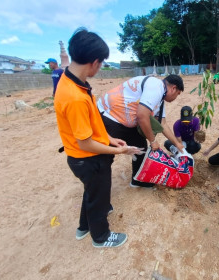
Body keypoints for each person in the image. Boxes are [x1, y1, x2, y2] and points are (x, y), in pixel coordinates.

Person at [54, 28, 143, 248]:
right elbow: (85, 142)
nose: (101, 66)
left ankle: (84, 227)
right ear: (94, 62)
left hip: (86, 155)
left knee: (92, 193)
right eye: (102, 62)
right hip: (88, 157)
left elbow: (91, 125)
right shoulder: (74, 97)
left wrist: (110, 138)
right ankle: (101, 237)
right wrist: (119, 151)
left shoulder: (73, 81)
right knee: (99, 197)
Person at [97, 74, 185, 188]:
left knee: (140, 146)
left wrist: (177, 144)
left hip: (128, 121)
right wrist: (153, 141)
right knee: (106, 152)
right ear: (173, 88)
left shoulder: (160, 99)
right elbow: (142, 116)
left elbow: (163, 123)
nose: (175, 98)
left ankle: (137, 180)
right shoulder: (156, 86)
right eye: (177, 94)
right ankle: (98, 188)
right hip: (111, 116)